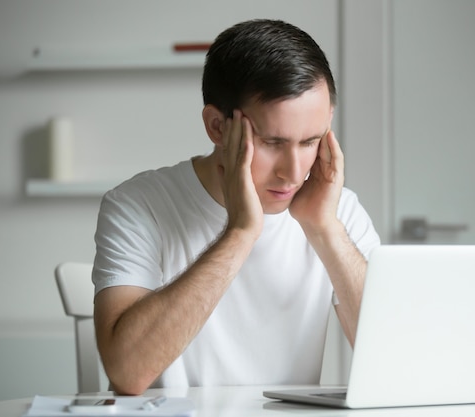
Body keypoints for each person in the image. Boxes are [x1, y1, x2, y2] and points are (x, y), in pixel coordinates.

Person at [92, 19, 380, 395]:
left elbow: (399, 363)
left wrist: (325, 229)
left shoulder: (338, 211)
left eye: (310, 141)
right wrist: (241, 232)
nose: (294, 172)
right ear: (216, 126)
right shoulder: (138, 205)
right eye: (272, 142)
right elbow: (128, 372)